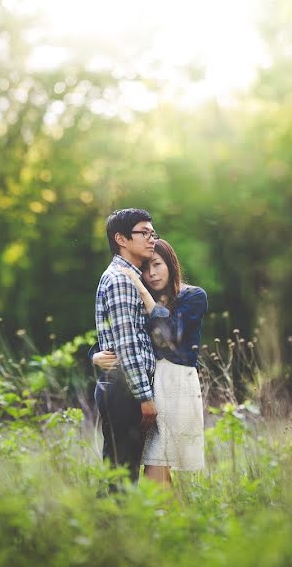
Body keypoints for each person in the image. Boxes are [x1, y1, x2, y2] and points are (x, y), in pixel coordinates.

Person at [93, 239, 208, 486]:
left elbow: (170, 335)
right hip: (149, 385)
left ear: (171, 264)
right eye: (145, 268)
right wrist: (93, 355)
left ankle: (162, 521)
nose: (151, 273)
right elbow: (119, 332)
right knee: (157, 471)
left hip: (176, 386)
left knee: (156, 467)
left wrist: (141, 289)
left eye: (157, 265)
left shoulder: (193, 297)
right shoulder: (138, 303)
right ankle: (173, 523)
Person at [93, 208, 163, 487]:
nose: (151, 239)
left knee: (122, 469)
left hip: (126, 386)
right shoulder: (121, 279)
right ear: (121, 239)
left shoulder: (129, 276)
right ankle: (114, 526)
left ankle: (114, 526)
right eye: (144, 233)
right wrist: (145, 397)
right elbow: (126, 342)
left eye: (152, 233)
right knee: (122, 473)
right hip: (125, 389)